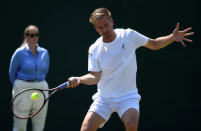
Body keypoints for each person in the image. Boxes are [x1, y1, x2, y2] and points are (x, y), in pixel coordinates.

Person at [67, 8, 194, 131]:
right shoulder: (94, 48)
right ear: (96, 29)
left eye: (106, 24)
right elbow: (95, 77)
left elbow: (154, 44)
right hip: (104, 99)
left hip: (127, 97)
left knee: (132, 125)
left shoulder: (128, 35)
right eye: (100, 27)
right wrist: (79, 79)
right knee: (86, 128)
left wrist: (172, 37)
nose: (104, 29)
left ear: (112, 21)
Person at [9, 25, 50, 131]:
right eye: (32, 35)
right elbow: (12, 72)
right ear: (26, 36)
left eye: (37, 35)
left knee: (39, 124)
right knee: (20, 125)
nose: (35, 37)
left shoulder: (44, 52)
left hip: (41, 86)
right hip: (22, 87)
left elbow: (45, 70)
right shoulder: (19, 52)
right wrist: (19, 87)